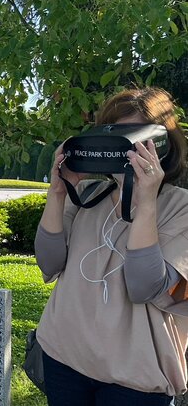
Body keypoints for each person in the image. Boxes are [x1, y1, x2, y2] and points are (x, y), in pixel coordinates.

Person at [34, 87, 188, 405]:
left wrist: (146, 204)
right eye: (113, 136)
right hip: (64, 354)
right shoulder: (89, 194)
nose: (124, 151)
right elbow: (48, 263)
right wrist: (59, 193)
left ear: (162, 144)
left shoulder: (180, 207)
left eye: (134, 139)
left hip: (136, 375)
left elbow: (145, 286)